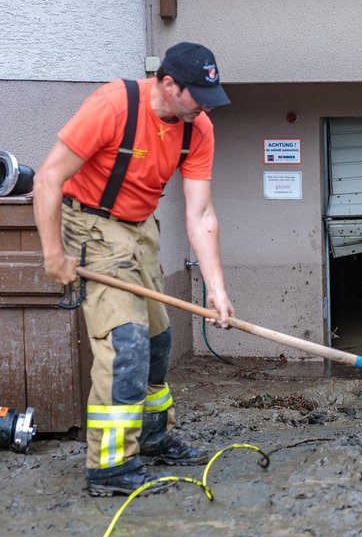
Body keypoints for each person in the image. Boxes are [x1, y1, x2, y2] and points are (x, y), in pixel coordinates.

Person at [33, 42, 234, 496]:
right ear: (167, 83)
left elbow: (201, 215)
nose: (204, 105)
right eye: (196, 95)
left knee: (158, 340)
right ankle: (109, 466)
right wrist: (53, 255)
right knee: (126, 345)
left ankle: (152, 436)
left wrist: (216, 290)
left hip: (140, 227)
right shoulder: (113, 106)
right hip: (89, 224)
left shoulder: (197, 128)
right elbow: (48, 178)